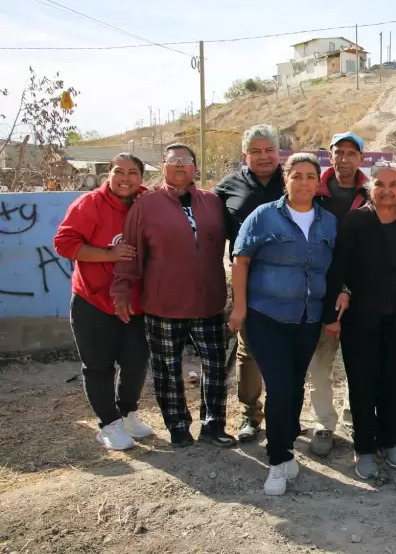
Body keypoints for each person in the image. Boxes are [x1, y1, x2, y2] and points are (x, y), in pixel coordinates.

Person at [112, 143, 233, 449]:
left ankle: (213, 424)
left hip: (208, 300)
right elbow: (130, 251)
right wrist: (124, 288)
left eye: (186, 160)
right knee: (167, 368)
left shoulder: (213, 202)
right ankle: (177, 425)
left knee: (216, 365)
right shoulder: (146, 205)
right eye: (173, 160)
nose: (180, 165)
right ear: (163, 167)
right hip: (163, 303)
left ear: (195, 166)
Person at [228, 153, 337, 495]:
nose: (303, 182)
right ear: (286, 179)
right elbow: (241, 262)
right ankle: (277, 461)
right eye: (297, 175)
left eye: (310, 176)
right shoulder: (263, 216)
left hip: (307, 318)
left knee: (293, 384)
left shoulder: (329, 222)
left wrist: (341, 296)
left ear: (318, 182)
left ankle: (286, 445)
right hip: (266, 316)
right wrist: (239, 308)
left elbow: (335, 269)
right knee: (278, 386)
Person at [323, 162, 396, 480]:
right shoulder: (355, 221)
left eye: (394, 184)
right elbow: (339, 267)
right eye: (381, 184)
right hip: (360, 318)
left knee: (393, 381)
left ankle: (389, 441)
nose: (387, 190)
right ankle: (364, 448)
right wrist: (339, 299)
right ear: (370, 188)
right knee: (363, 383)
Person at [54, 153, 152, 451]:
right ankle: (108, 423)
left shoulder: (149, 203)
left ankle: (127, 412)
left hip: (136, 302)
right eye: (119, 172)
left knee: (136, 361)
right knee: (98, 365)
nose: (125, 178)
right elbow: (64, 243)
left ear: (141, 177)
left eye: (132, 172)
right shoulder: (89, 204)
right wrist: (109, 254)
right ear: (108, 174)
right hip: (93, 300)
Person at [213, 124, 285, 442]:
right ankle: (250, 414)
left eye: (269, 149)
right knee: (249, 353)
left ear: (279, 152)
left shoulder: (295, 178)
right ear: (245, 155)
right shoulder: (227, 188)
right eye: (255, 151)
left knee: (287, 352)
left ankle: (282, 413)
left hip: (291, 282)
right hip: (248, 283)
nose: (263, 156)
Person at [307, 131, 369, 457]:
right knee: (320, 364)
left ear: (361, 158)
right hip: (321, 292)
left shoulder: (372, 194)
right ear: (329, 155)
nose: (344, 158)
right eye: (338, 152)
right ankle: (323, 423)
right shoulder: (312, 192)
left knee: (359, 363)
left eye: (351, 153)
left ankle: (351, 414)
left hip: (360, 293)